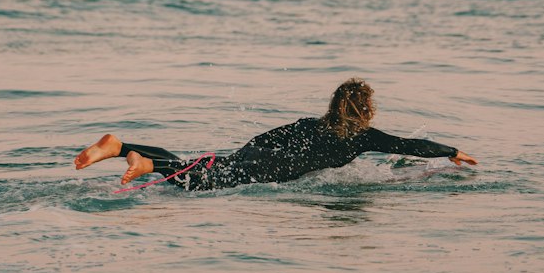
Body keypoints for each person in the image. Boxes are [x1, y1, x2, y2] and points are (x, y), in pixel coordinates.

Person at [74, 78, 477, 190]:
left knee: (190, 167)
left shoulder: (309, 125)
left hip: (251, 158)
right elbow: (410, 145)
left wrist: (243, 156)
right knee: (187, 184)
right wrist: (451, 151)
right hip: (265, 174)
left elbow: (263, 139)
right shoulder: (364, 138)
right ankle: (143, 162)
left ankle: (120, 147)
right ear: (366, 110)